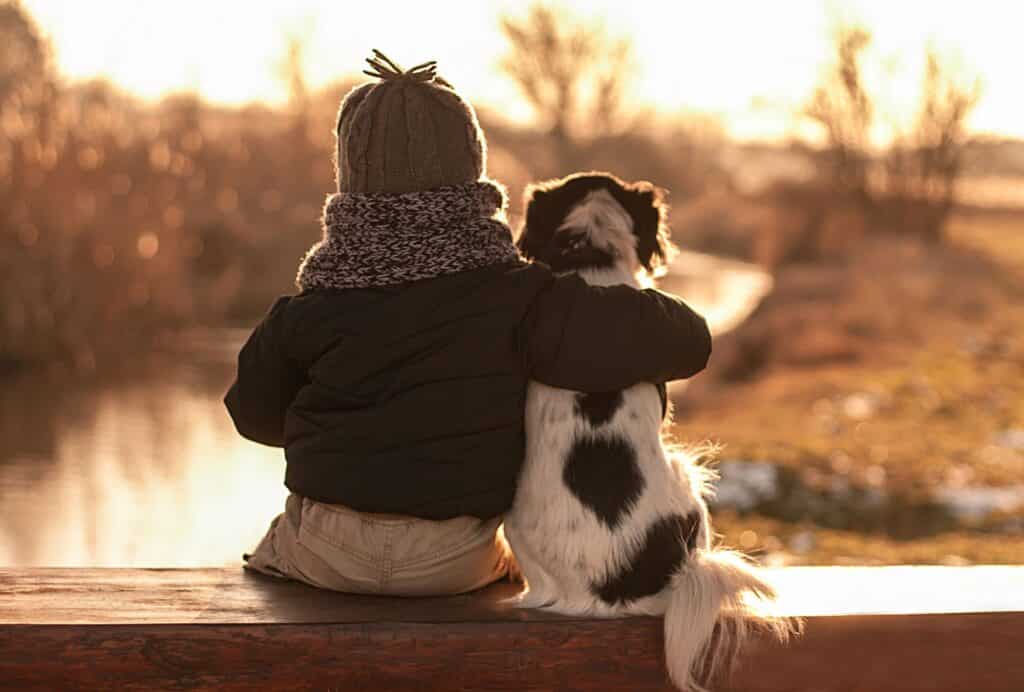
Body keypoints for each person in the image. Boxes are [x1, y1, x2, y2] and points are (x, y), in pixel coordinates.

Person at [225, 51, 712, 596]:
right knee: (513, 567)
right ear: (471, 169)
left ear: (349, 181)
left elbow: (252, 416)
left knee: (272, 546)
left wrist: (340, 427)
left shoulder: (313, 305)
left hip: (328, 554)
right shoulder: (522, 299)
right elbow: (689, 341)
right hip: (454, 560)